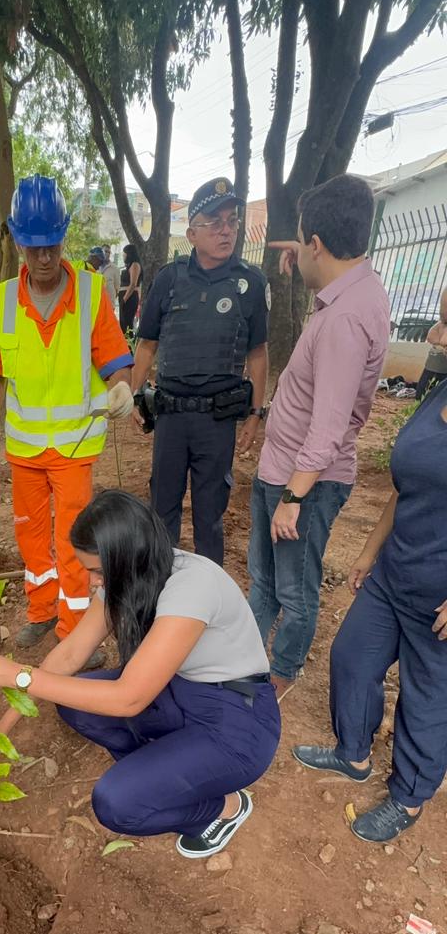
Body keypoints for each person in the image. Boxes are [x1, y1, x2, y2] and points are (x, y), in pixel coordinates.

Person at [0, 491, 280, 859]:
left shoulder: (192, 586)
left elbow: (130, 698)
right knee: (74, 703)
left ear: (130, 556)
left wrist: (19, 675)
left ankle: (221, 809)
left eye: (98, 570)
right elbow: (69, 655)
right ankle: (165, 772)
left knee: (117, 804)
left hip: (236, 723)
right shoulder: (129, 578)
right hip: (180, 694)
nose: (93, 581)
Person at [248, 174, 390, 701]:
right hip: (282, 471)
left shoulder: (346, 320)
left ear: (319, 246)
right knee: (262, 579)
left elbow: (329, 427)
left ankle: (281, 672)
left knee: (293, 588)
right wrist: (304, 257)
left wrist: (292, 498)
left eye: (303, 239)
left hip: (304, 482)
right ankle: (244, 658)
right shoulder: (346, 293)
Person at [0, 175, 134, 655]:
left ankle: (73, 628)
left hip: (74, 446)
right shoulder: (5, 300)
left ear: (64, 238)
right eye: (33, 248)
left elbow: (115, 361)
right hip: (23, 449)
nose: (44, 258)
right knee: (29, 536)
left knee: (73, 541)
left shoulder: (90, 293)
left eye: (52, 246)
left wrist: (122, 387)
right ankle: (41, 612)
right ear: (18, 243)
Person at [292, 375, 447, 844]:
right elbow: (405, 489)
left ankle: (408, 797)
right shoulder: (438, 394)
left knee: (426, 700)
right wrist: (368, 551)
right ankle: (353, 755)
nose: (435, 336)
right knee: (352, 659)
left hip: (438, 602)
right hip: (394, 571)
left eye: (443, 323)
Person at [131, 177, 269, 566]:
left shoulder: (251, 284)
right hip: (171, 418)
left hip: (217, 420)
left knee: (210, 517)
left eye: (232, 220)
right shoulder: (169, 280)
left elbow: (258, 355)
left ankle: (209, 602)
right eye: (214, 222)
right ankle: (162, 592)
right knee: (162, 512)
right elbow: (147, 345)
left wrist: (256, 415)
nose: (226, 230)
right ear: (192, 233)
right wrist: (134, 396)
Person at [414, 287, 447, 401]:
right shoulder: (440, 324)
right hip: (432, 367)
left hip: (444, 371)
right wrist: (440, 345)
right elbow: (430, 336)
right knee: (422, 392)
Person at [118, 245, 142, 336]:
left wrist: (124, 299)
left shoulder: (135, 264)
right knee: (123, 324)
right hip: (124, 295)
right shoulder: (128, 266)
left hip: (129, 297)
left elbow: (133, 284)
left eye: (125, 253)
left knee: (127, 324)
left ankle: (129, 347)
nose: (123, 255)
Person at [100, 245, 121, 310]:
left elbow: (117, 288)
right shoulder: (95, 266)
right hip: (96, 302)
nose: (108, 254)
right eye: (106, 251)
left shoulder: (115, 268)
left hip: (109, 303)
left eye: (109, 252)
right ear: (101, 252)